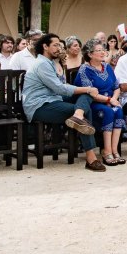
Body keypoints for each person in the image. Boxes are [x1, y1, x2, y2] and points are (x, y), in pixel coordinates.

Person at [22, 33, 106, 172]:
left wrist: (86, 90)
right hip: (39, 105)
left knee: (85, 97)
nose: (59, 48)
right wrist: (88, 88)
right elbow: (60, 88)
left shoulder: (49, 62)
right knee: (86, 105)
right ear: (45, 46)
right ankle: (91, 158)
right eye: (55, 45)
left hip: (52, 99)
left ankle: (78, 115)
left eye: (59, 45)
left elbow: (61, 87)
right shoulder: (41, 64)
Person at [76, 39, 126, 166]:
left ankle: (114, 150)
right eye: (99, 50)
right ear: (90, 54)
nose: (103, 52)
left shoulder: (107, 67)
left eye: (103, 50)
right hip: (93, 103)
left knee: (118, 110)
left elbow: (116, 87)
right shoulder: (84, 69)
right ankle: (106, 152)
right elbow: (90, 93)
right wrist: (109, 100)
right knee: (108, 111)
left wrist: (114, 99)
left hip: (110, 101)